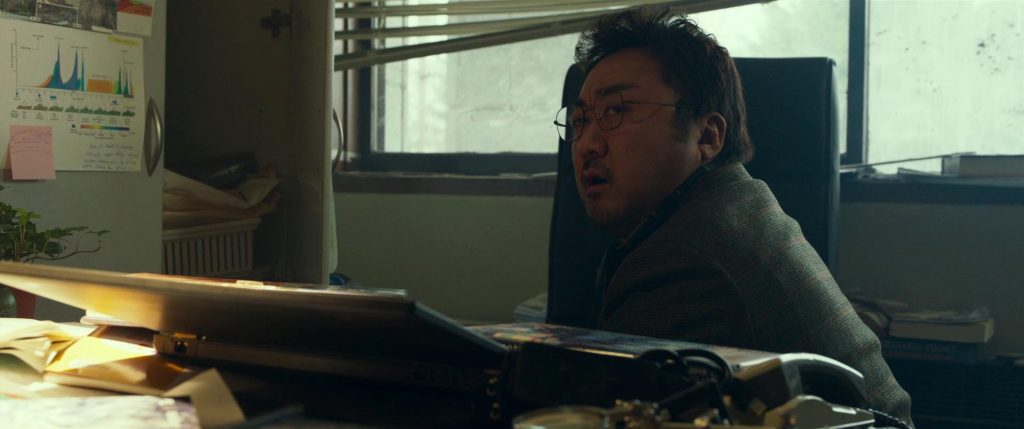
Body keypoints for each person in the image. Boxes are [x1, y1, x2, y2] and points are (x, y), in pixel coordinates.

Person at [555, 8, 914, 425]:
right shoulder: (734, 205)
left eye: (615, 111)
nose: (587, 144)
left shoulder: (684, 261)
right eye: (580, 120)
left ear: (707, 136)